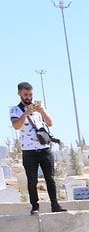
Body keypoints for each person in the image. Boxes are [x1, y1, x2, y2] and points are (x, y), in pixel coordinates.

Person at [10, 82, 64, 215]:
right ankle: (35, 206)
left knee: (50, 178)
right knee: (32, 179)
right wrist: (26, 113)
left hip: (44, 148)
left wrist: (42, 111)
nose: (28, 97)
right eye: (25, 94)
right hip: (28, 150)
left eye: (30, 94)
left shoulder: (39, 109)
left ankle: (55, 204)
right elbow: (16, 126)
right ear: (19, 94)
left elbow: (50, 123)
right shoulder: (15, 110)